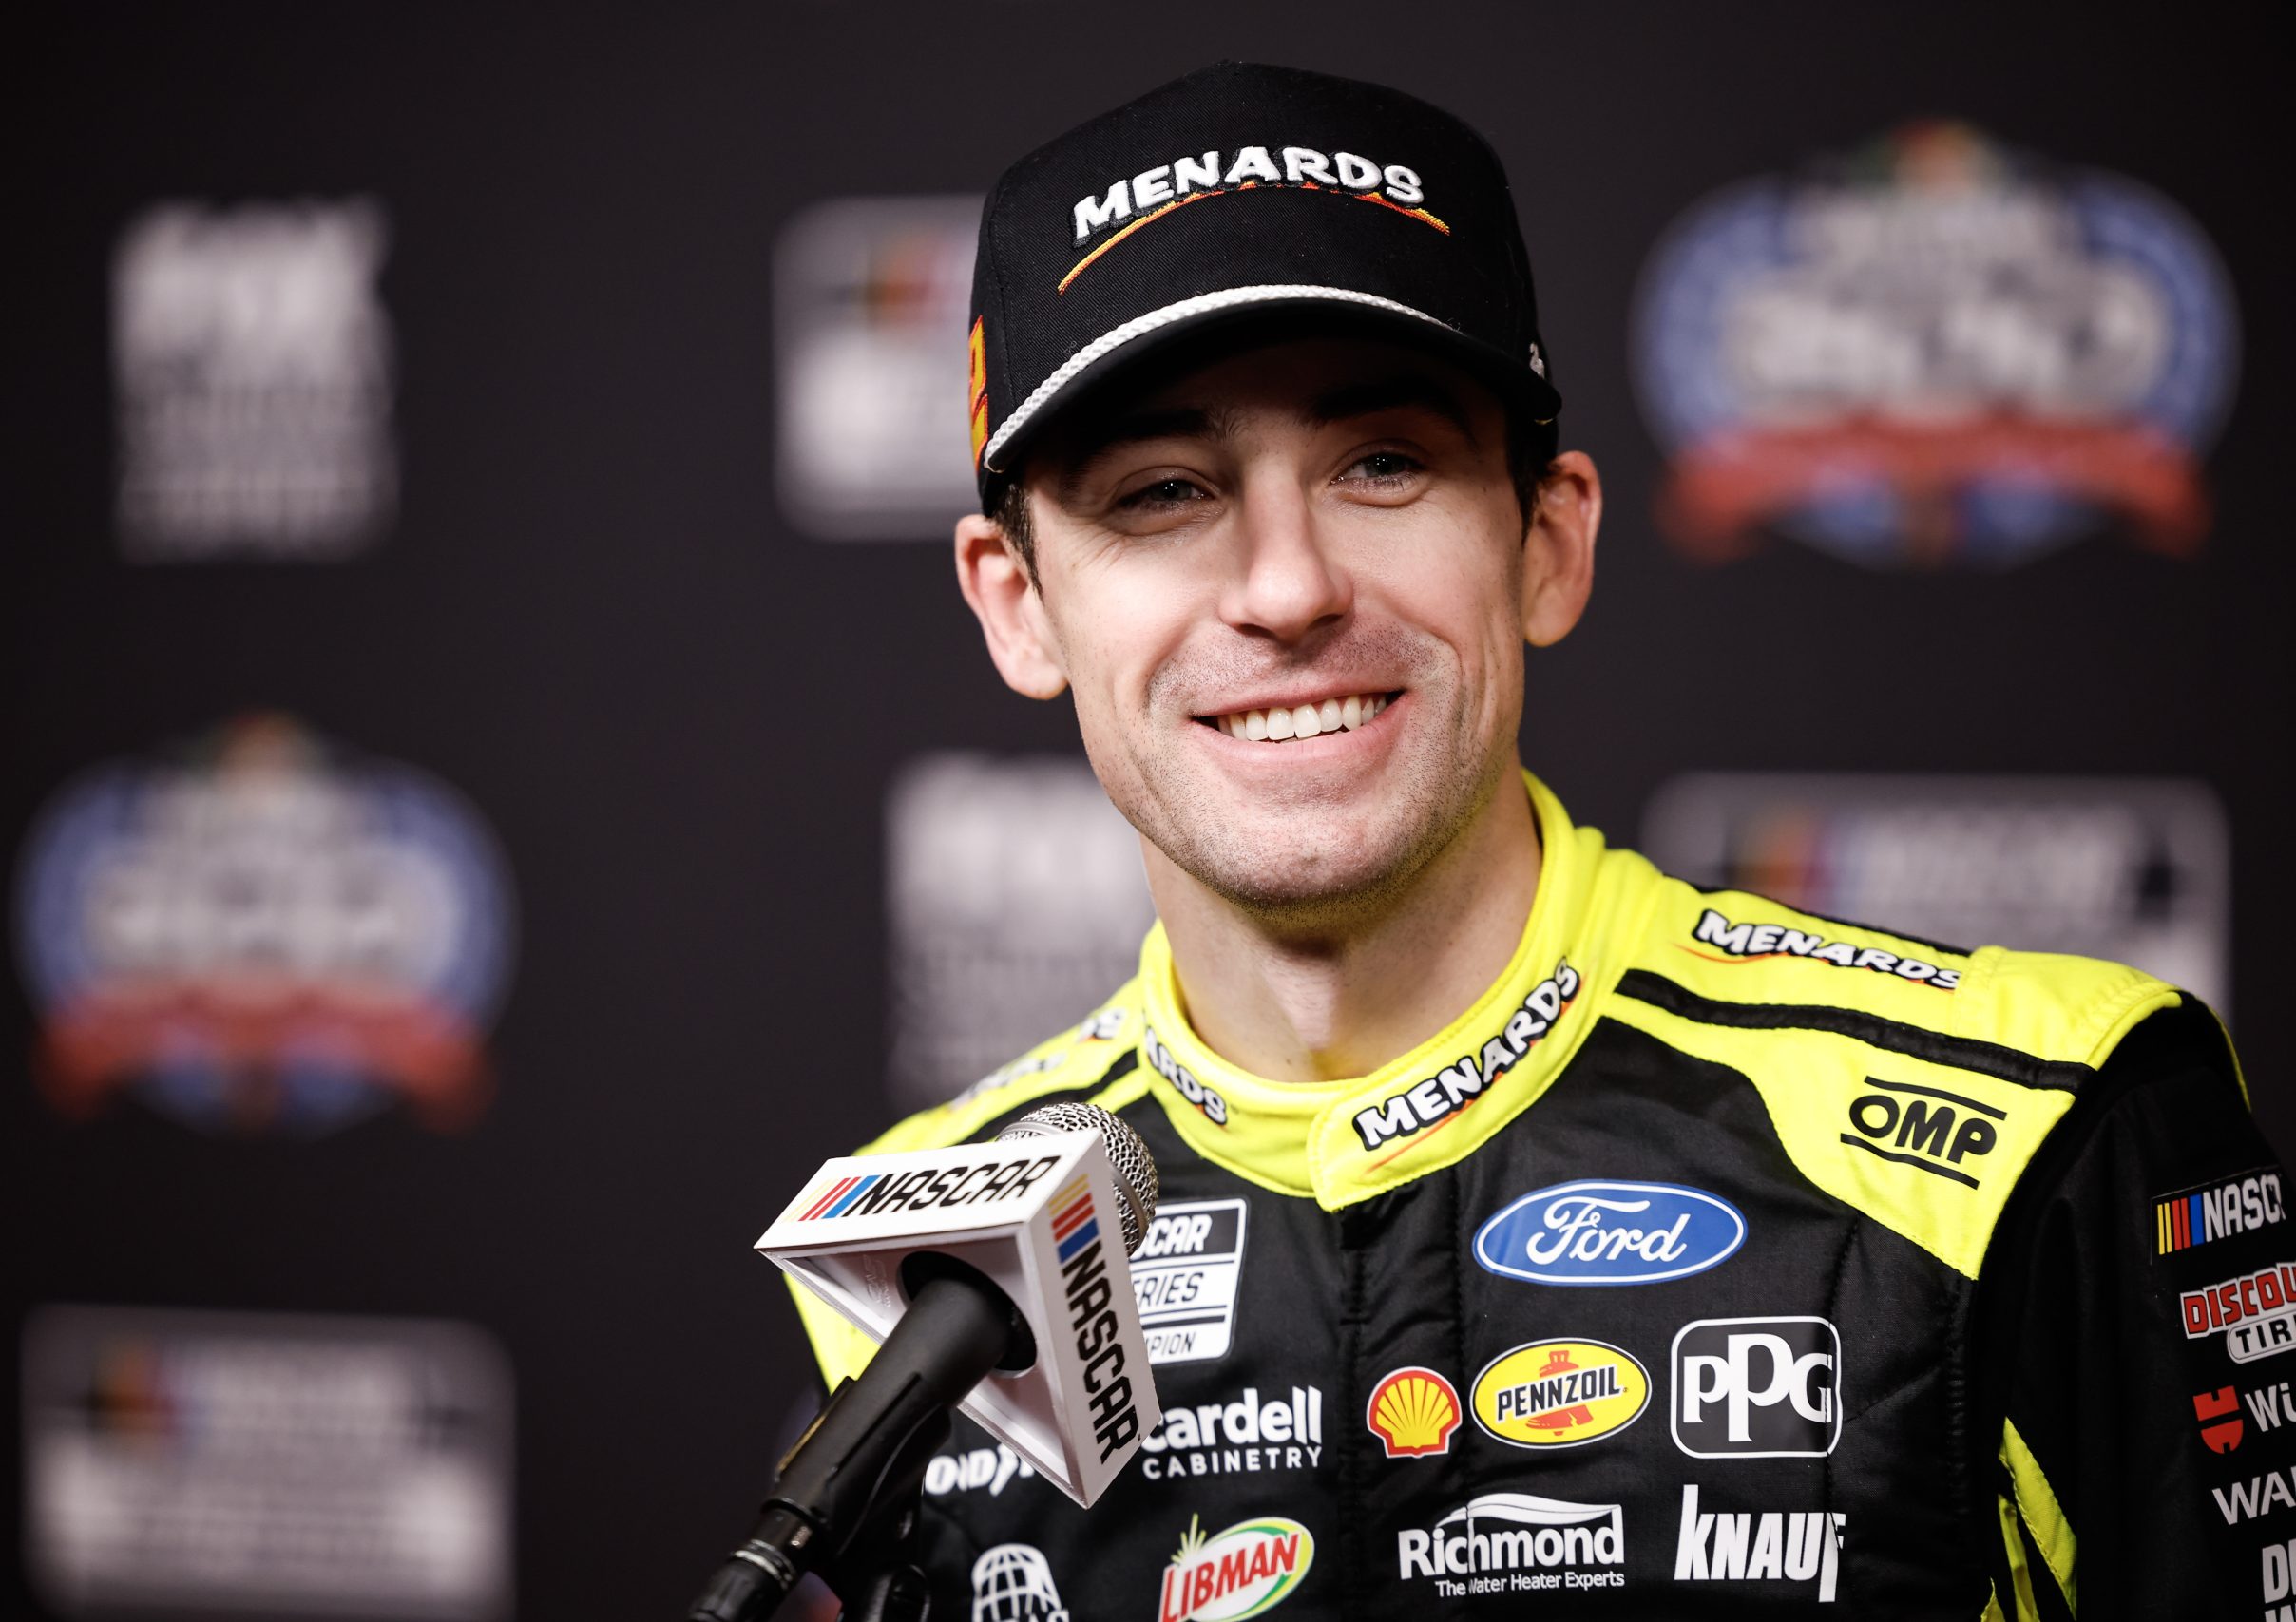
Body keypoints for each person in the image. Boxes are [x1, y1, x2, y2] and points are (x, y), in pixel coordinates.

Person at [787, 62, 2286, 1619]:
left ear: (1549, 543)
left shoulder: (2044, 1131)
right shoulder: (923, 1262)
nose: (1287, 587)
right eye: (1163, 493)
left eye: (1384, 463)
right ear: (1017, 603)